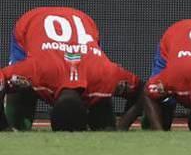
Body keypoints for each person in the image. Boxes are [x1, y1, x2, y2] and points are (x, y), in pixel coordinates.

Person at [4, 7, 120, 130]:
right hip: (33, 22)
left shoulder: (103, 74)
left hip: (82, 23)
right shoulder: (35, 70)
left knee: (101, 96)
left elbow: (139, 90)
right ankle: (15, 125)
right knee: (18, 85)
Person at [0, 37, 148, 132]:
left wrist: (123, 125)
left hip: (83, 28)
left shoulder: (106, 76)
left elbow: (144, 89)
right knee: (20, 92)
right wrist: (4, 126)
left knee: (105, 127)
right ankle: (15, 123)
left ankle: (101, 109)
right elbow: (143, 89)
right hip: (31, 24)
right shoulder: (36, 71)